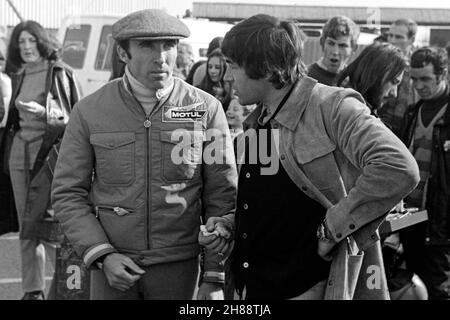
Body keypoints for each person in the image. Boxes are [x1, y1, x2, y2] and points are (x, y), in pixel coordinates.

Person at [199, 13, 419, 300]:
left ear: (263, 67)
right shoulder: (259, 119)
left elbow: (399, 168)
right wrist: (230, 224)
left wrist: (331, 229)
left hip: (304, 286)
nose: (228, 77)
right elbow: (266, 200)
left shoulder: (332, 106)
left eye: (233, 66)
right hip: (250, 285)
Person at [51, 9, 237, 300]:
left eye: (169, 45)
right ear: (123, 54)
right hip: (112, 269)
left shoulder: (205, 109)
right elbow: (67, 193)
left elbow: (222, 195)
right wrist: (101, 254)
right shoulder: (89, 111)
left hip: (179, 270)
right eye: (147, 46)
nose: (161, 57)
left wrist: (214, 276)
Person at [0, 20, 80, 300]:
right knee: (26, 227)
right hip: (18, 155)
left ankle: (68, 288)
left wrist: (44, 113)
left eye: (31, 41)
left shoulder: (59, 72)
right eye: (21, 42)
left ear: (41, 41)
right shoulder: (19, 74)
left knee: (50, 227)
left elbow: (74, 119)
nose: (26, 47)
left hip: (47, 158)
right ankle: (32, 291)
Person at [400, 47, 450, 300]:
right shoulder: (413, 111)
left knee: (438, 289)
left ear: (443, 75)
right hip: (412, 218)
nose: (418, 85)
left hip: (441, 223)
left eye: (426, 79)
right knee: (413, 285)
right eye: (414, 78)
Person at [337, 43, 407, 117]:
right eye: (393, 82)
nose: (394, 93)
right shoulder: (352, 113)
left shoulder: (344, 102)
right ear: (374, 74)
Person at [378, 19, 418, 137]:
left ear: (411, 40)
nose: (392, 41)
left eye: (399, 37)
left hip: (408, 133)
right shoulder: (378, 63)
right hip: (380, 130)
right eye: (390, 35)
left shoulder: (418, 66)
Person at [307, 16, 359, 86]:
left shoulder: (355, 83)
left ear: (354, 48)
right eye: (331, 43)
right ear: (322, 42)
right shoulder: (304, 77)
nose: (335, 52)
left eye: (342, 46)